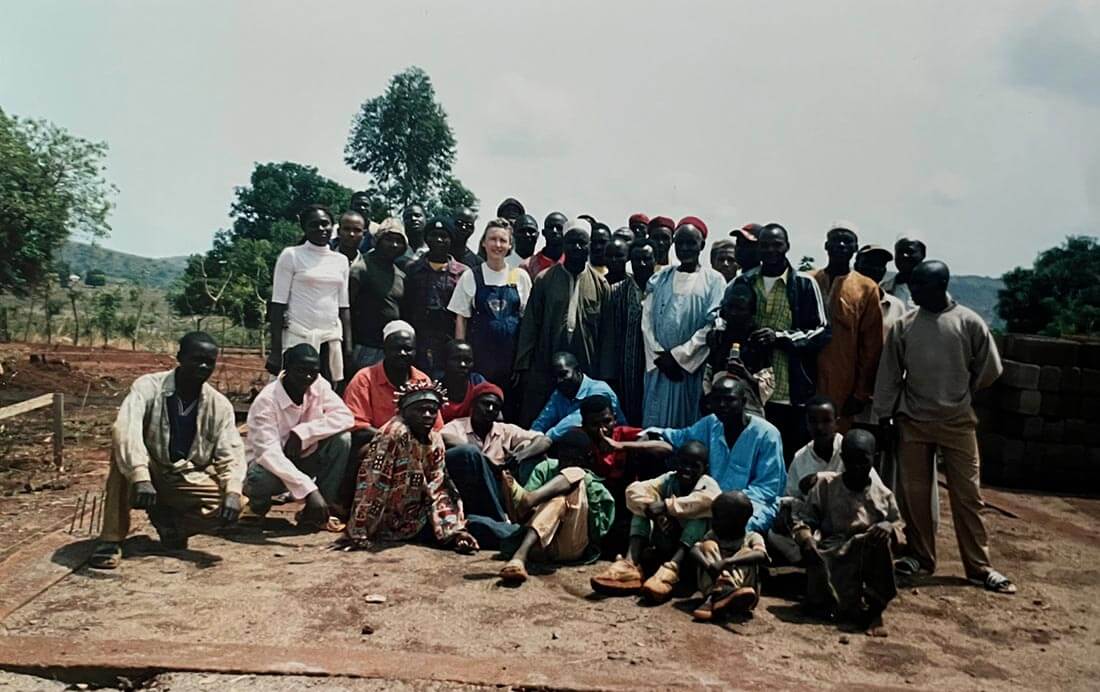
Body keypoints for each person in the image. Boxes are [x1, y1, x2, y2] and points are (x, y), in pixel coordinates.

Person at [873, 260, 1015, 594]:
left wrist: (963, 393)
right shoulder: (905, 325)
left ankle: (980, 567)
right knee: (915, 497)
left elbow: (990, 368)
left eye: (921, 286)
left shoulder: (969, 322)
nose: (914, 291)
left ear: (939, 286)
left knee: (968, 496)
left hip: (958, 423)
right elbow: (890, 375)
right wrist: (885, 416)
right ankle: (921, 558)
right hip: (914, 421)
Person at [90, 332, 245, 569]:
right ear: (180, 357)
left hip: (183, 474)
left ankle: (170, 523)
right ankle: (111, 540)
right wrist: (140, 476)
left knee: (235, 505)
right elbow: (126, 428)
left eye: (209, 362)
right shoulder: (148, 386)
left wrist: (232, 491)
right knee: (122, 453)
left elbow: (231, 452)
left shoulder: (219, 405)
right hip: (148, 465)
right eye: (197, 359)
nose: (203, 366)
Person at [731, 223, 830, 464]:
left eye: (777, 245)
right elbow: (726, 320)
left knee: (787, 458)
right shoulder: (744, 282)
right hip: (751, 389)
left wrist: (780, 338)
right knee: (752, 458)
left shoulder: (805, 285)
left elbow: (821, 331)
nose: (771, 251)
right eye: (765, 245)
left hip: (790, 391)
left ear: (787, 246)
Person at [344, 380, 479, 552]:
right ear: (405, 411)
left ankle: (470, 534)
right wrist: (359, 532)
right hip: (390, 522)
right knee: (479, 526)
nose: (428, 415)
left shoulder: (435, 439)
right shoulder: (393, 435)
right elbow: (373, 484)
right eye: (420, 410)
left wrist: (453, 530)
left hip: (421, 515)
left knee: (471, 524)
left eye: (432, 410)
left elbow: (438, 486)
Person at [792, 429, 905, 635]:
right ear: (842, 458)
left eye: (862, 461)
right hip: (832, 551)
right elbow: (805, 519)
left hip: (867, 554)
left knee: (881, 544)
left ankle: (874, 610)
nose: (856, 466)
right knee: (816, 562)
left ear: (874, 458)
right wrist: (805, 538)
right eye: (850, 460)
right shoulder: (826, 485)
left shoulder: (883, 495)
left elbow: (899, 525)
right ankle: (828, 602)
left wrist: (889, 527)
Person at [646, 376, 786, 536]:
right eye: (717, 400)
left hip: (752, 505)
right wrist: (645, 436)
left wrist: (726, 502)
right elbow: (680, 437)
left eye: (729, 400)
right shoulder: (711, 424)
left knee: (732, 528)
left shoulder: (767, 434)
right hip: (709, 503)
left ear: (744, 401)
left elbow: (767, 489)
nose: (722, 405)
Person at [590, 441, 719, 599]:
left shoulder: (708, 485)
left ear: (704, 468)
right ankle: (630, 563)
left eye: (694, 466)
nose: (687, 469)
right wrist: (656, 513)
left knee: (698, 518)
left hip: (691, 552)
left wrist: (666, 507)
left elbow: (705, 502)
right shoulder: (670, 479)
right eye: (683, 463)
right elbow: (633, 491)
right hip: (666, 536)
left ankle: (671, 570)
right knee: (643, 508)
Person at [244, 344, 353, 529]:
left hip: (303, 459)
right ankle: (255, 507)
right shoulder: (266, 401)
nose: (308, 377)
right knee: (260, 477)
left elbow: (345, 417)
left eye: (313, 372)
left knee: (342, 440)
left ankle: (317, 513)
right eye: (301, 371)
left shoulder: (319, 385)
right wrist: (309, 490)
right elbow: (269, 455)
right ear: (286, 369)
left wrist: (303, 433)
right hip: (270, 469)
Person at [514, 219, 611, 425]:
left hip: (586, 368)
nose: (577, 247)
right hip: (546, 363)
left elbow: (606, 334)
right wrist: (523, 365)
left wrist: (605, 374)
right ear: (564, 245)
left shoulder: (601, 285)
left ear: (589, 245)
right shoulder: (544, 279)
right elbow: (530, 325)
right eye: (572, 242)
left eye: (582, 243)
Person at [498, 428, 617, 583]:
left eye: (574, 460)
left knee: (575, 474)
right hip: (540, 546)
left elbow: (599, 531)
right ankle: (519, 558)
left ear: (586, 459)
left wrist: (580, 493)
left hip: (571, 546)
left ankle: (520, 553)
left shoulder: (594, 485)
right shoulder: (546, 468)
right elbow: (524, 516)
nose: (567, 465)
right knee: (557, 500)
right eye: (564, 459)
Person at [441, 382, 552, 546]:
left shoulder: (505, 430)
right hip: (468, 493)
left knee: (534, 453)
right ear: (473, 404)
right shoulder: (458, 426)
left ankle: (519, 517)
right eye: (486, 404)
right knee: (468, 453)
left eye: (495, 406)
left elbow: (544, 440)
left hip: (500, 492)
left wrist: (521, 455)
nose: (491, 409)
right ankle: (503, 523)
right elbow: (442, 437)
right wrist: (486, 459)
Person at [641, 217, 726, 428]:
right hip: (659, 369)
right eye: (680, 243)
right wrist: (660, 357)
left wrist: (679, 357)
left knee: (688, 426)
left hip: (689, 370)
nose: (685, 248)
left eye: (691, 243)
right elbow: (647, 322)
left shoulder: (714, 281)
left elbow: (712, 324)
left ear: (702, 245)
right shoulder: (659, 278)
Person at [268, 205, 353, 386]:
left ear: (333, 226)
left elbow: (343, 307)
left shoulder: (341, 260)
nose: (321, 229)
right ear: (304, 228)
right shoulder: (291, 255)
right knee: (291, 392)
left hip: (328, 342)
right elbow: (277, 305)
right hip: (298, 339)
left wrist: (348, 347)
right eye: (314, 225)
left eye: (325, 224)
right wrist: (275, 352)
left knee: (325, 396)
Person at [810, 225, 883, 432]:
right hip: (806, 381)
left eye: (847, 241)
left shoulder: (867, 288)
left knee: (837, 444)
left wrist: (861, 393)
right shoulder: (808, 280)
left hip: (843, 386)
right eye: (836, 240)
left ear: (855, 249)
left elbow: (872, 347)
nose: (841, 245)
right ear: (826, 246)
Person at [448, 218, 533, 390]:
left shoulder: (519, 276)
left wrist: (522, 362)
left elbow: (528, 323)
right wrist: (462, 358)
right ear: (484, 243)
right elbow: (461, 319)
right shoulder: (471, 276)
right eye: (493, 239)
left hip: (511, 361)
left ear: (510, 245)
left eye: (503, 240)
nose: (497, 245)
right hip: (480, 361)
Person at [768, 396, 844, 564]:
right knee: (775, 535)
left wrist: (822, 478)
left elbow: (864, 487)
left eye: (826, 421)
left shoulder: (848, 449)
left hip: (843, 517)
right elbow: (792, 495)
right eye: (813, 421)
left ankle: (817, 557)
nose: (820, 427)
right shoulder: (801, 457)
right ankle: (810, 557)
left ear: (836, 423)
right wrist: (785, 509)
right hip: (813, 521)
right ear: (807, 424)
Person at [343, 320, 440, 449]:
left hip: (420, 450)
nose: (402, 354)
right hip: (378, 449)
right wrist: (398, 440)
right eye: (396, 348)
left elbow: (436, 428)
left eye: (408, 349)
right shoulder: (364, 379)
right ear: (385, 349)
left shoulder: (422, 380)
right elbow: (358, 428)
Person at [402, 216, 468, 375]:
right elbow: (405, 306)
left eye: (444, 236)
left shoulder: (463, 273)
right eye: (434, 235)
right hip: (419, 340)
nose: (439, 240)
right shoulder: (412, 269)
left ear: (451, 240)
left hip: (449, 341)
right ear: (426, 238)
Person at [689, 491, 769, 621]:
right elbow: (694, 550)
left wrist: (728, 562)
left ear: (737, 521)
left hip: (743, 588)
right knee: (708, 545)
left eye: (718, 518)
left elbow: (761, 555)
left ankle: (718, 596)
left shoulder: (752, 537)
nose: (713, 521)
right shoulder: (714, 534)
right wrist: (709, 566)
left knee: (747, 553)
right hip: (713, 580)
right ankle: (721, 595)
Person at [600, 239, 656, 425]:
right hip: (624, 370)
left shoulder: (662, 291)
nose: (641, 264)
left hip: (656, 368)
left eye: (647, 259)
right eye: (636, 259)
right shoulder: (616, 291)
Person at [703, 282, 774, 418]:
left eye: (740, 308)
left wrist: (745, 374)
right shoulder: (718, 338)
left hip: (750, 414)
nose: (733, 313)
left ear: (751, 310)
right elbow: (708, 379)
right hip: (719, 413)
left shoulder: (758, 341)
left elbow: (767, 389)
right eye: (730, 307)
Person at [348, 217, 407, 370]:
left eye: (398, 241)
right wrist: (348, 347)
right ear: (378, 241)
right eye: (389, 239)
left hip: (391, 349)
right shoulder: (361, 269)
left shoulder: (400, 275)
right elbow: (347, 309)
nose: (394, 245)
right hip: (365, 348)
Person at [531, 352, 625, 441]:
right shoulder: (560, 393)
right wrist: (531, 437)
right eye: (554, 377)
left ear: (578, 371)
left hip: (613, 446)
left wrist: (544, 440)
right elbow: (542, 421)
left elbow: (576, 420)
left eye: (563, 374)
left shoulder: (599, 390)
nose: (559, 380)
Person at [437, 340, 488, 422]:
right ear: (444, 362)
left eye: (467, 360)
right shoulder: (436, 389)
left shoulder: (477, 382)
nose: (463, 365)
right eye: (456, 359)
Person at [880, 233, 927, 309]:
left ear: (923, 254)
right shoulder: (882, 290)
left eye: (910, 251)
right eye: (900, 252)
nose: (904, 255)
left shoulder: (933, 292)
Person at [519, 211, 567, 282]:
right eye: (551, 227)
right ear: (543, 232)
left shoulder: (573, 263)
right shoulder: (528, 266)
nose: (554, 231)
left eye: (559, 228)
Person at [395, 203, 428, 271]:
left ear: (425, 218)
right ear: (403, 222)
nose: (413, 219)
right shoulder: (395, 249)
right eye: (408, 217)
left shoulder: (433, 249)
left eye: (417, 215)